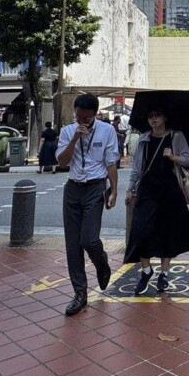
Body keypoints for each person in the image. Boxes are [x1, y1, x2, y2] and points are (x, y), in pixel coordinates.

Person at [56, 94, 119, 316]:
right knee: (73, 244)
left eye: (87, 117)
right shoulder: (67, 131)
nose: (83, 120)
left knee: (89, 239)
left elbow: (111, 163)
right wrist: (74, 138)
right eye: (79, 116)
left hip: (95, 188)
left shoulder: (106, 131)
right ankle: (80, 294)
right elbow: (62, 161)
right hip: (73, 188)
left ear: (94, 114)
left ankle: (102, 264)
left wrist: (114, 191)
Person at [124, 108, 189, 294]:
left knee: (167, 233)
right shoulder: (144, 139)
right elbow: (137, 167)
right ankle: (146, 270)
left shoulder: (176, 136)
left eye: (157, 115)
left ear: (165, 117)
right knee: (140, 230)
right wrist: (130, 188)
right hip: (147, 190)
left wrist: (173, 157)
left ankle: (164, 274)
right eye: (150, 116)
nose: (153, 119)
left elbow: (188, 160)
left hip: (170, 190)